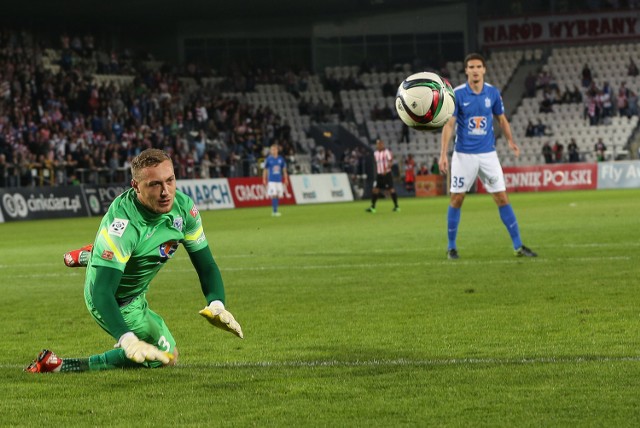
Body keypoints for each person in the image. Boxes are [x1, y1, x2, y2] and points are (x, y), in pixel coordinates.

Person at [25, 149, 243, 373]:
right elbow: (102, 293)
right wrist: (127, 338)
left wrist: (217, 304)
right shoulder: (123, 225)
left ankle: (92, 254)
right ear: (136, 186)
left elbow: (206, 264)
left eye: (170, 180)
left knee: (129, 256)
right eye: (154, 184)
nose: (166, 192)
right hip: (115, 300)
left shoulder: (184, 209)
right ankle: (62, 366)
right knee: (167, 357)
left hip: (136, 289)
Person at [439, 53, 537, 260]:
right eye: (471, 67)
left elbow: (502, 119)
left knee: (501, 197)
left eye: (478, 67)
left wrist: (510, 141)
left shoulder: (492, 93)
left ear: (484, 70)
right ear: (466, 71)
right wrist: (443, 154)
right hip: (464, 155)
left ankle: (518, 246)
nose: (475, 70)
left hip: (488, 155)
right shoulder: (457, 94)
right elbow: (449, 125)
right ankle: (451, 247)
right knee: (457, 199)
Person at [366, 139, 399, 213]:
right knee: (376, 189)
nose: (379, 145)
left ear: (382, 144)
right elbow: (376, 163)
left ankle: (396, 206)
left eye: (380, 144)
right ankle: (373, 207)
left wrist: (386, 169)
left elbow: (390, 162)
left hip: (387, 174)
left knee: (391, 189)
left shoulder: (387, 152)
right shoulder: (375, 153)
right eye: (378, 144)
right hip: (379, 174)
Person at [262, 143, 289, 217]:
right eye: (271, 150)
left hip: (279, 180)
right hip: (271, 180)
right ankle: (274, 211)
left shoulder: (281, 159)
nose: (272, 151)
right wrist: (264, 179)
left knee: (278, 195)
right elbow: (265, 170)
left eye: (274, 149)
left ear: (277, 150)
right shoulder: (268, 159)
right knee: (274, 195)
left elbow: (284, 170)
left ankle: (275, 210)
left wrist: (286, 179)